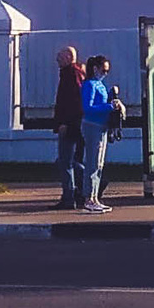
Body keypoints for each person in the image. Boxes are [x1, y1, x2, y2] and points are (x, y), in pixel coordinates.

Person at [78, 52, 128, 209]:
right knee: (93, 162)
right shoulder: (89, 85)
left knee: (99, 163)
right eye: (103, 70)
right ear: (95, 69)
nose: (105, 74)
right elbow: (87, 108)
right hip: (92, 126)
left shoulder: (100, 85)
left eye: (107, 71)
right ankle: (89, 198)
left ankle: (94, 196)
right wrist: (109, 107)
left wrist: (112, 96)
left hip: (101, 126)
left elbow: (103, 101)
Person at [50, 44, 85, 207]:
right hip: (76, 124)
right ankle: (85, 185)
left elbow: (71, 102)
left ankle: (69, 196)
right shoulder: (75, 73)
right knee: (68, 160)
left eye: (60, 56)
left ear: (69, 58)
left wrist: (64, 122)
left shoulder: (71, 74)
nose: (57, 59)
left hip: (70, 124)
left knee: (65, 161)